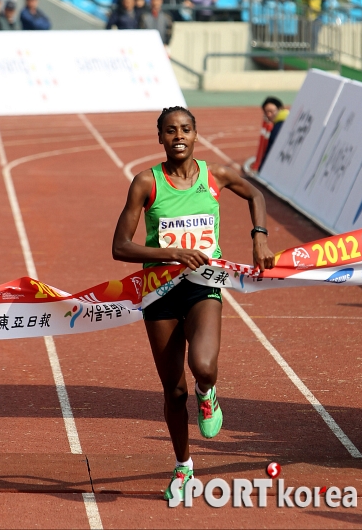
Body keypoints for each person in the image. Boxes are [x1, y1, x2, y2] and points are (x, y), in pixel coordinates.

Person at [111, 106, 275, 500]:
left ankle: (209, 392)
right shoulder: (145, 183)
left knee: (203, 366)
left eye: (185, 129)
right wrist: (170, 253)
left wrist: (259, 236)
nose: (178, 136)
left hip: (204, 287)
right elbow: (120, 246)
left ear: (196, 135)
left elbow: (255, 193)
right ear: (161, 138)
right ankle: (184, 467)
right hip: (160, 292)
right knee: (173, 392)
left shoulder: (214, 175)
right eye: (170, 131)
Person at [259, 97, 290, 169]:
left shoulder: (278, 127)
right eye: (266, 112)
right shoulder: (289, 118)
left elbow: (270, 152)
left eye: (271, 111)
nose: (269, 114)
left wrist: (262, 168)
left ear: (280, 109)